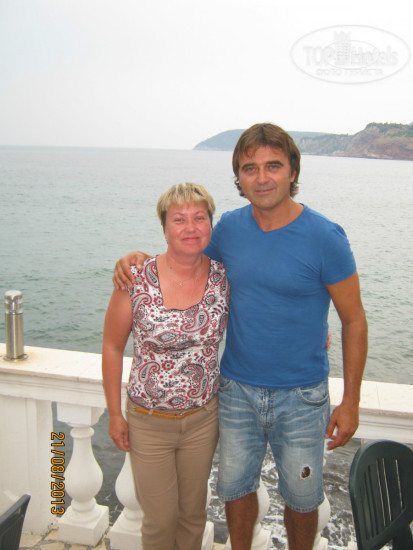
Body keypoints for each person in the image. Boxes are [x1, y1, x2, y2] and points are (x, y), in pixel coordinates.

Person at [112, 123, 368, 550]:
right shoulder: (228, 230)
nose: (262, 177)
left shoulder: (326, 237)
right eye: (250, 168)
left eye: (273, 166)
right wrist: (138, 258)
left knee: (302, 497)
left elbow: (354, 320)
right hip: (235, 391)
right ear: (239, 178)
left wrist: (351, 401)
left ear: (292, 171)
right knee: (235, 488)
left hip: (302, 395)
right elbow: (185, 257)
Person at [102, 182, 229, 550]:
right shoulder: (135, 278)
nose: (190, 227)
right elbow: (112, 347)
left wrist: (313, 332)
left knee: (193, 516)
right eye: (179, 219)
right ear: (164, 228)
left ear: (210, 224)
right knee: (159, 522)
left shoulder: (224, 278)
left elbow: (266, 309)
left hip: (203, 420)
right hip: (148, 423)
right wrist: (115, 414)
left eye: (199, 218)